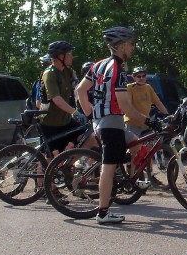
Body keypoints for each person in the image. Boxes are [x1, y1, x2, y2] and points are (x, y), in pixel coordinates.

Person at [76, 27, 155, 225]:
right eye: (130, 44)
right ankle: (103, 212)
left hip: (104, 122)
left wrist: (90, 114)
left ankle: (131, 179)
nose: (133, 47)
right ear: (120, 46)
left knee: (136, 143)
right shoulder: (119, 70)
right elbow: (125, 106)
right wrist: (147, 120)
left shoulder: (98, 65)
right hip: (111, 124)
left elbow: (80, 90)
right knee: (108, 168)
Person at [37, 41, 85, 157]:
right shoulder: (49, 74)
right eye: (69, 53)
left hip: (65, 120)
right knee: (50, 159)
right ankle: (43, 175)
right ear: (60, 56)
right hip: (50, 122)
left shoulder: (68, 71)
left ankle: (66, 168)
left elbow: (78, 89)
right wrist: (75, 112)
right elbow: (57, 99)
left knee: (89, 137)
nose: (72, 56)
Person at [124, 66, 169, 182]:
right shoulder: (129, 88)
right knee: (134, 152)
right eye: (138, 76)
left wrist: (167, 115)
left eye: (143, 76)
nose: (141, 78)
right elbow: (127, 106)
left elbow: (158, 103)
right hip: (132, 123)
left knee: (149, 151)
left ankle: (150, 175)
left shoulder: (148, 88)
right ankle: (131, 177)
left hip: (146, 124)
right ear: (133, 77)